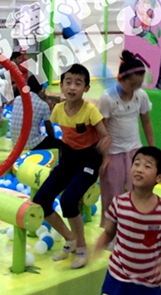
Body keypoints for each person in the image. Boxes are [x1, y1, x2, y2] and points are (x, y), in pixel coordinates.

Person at [32, 64, 110, 269]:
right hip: (67, 161)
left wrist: (105, 159)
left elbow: (105, 136)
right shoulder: (58, 110)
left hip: (88, 162)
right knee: (40, 201)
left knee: (68, 201)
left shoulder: (90, 110)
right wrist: (58, 164)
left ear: (86, 88)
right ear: (62, 85)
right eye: (68, 82)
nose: (72, 87)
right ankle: (70, 239)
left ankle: (82, 247)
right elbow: (64, 140)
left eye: (78, 83)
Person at [94, 147, 161, 295]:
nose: (139, 169)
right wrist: (96, 249)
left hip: (149, 284)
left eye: (147, 166)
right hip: (117, 278)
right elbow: (109, 232)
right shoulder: (119, 203)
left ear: (159, 177)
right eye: (136, 164)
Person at [97, 51, 155, 229]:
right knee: (112, 193)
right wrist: (104, 157)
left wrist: (152, 149)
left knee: (136, 190)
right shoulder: (108, 99)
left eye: (139, 85)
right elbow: (102, 130)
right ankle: (110, 230)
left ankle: (132, 226)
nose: (135, 88)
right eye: (132, 85)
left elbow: (146, 123)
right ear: (121, 79)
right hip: (114, 153)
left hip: (134, 151)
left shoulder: (141, 96)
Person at [9, 74, 59, 151]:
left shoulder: (17, 99)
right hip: (31, 144)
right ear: (42, 88)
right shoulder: (43, 105)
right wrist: (52, 140)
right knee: (59, 144)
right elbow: (49, 129)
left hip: (16, 142)